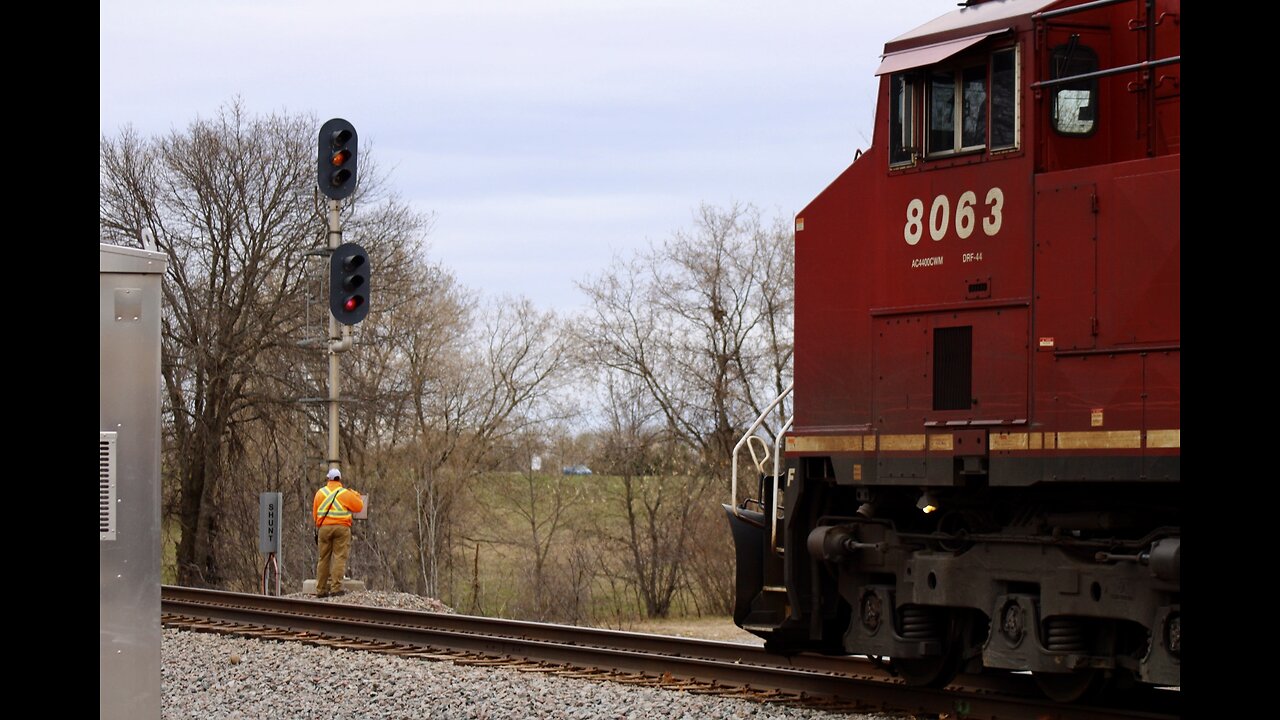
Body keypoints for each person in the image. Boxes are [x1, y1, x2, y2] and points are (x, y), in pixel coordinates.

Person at [313, 467, 364, 598]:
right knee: (339, 557)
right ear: (339, 479)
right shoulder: (345, 493)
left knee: (323, 559)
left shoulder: (320, 493)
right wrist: (355, 494)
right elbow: (359, 506)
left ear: (328, 479)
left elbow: (315, 514)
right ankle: (336, 588)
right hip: (342, 528)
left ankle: (321, 590)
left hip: (324, 528)